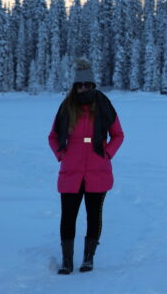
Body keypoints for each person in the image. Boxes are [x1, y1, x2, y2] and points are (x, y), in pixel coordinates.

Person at [48, 58, 124, 274]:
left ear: (92, 85)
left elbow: (118, 135)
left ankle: (88, 258)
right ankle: (67, 260)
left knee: (94, 215)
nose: (83, 89)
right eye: (79, 85)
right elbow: (53, 137)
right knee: (68, 216)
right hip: (71, 173)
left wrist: (107, 153)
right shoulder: (66, 107)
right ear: (74, 86)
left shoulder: (104, 105)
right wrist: (62, 154)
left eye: (87, 85)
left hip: (97, 172)